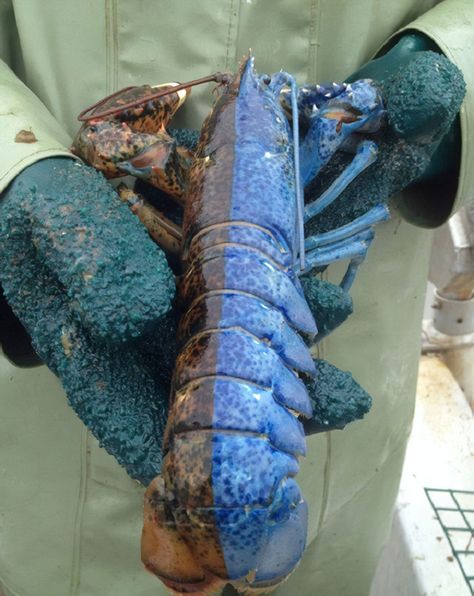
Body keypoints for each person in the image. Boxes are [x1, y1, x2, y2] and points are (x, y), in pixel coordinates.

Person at [0, 1, 472, 595]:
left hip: (252, 392)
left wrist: (455, 88)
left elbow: (107, 141)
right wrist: (13, 164)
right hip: (66, 401)